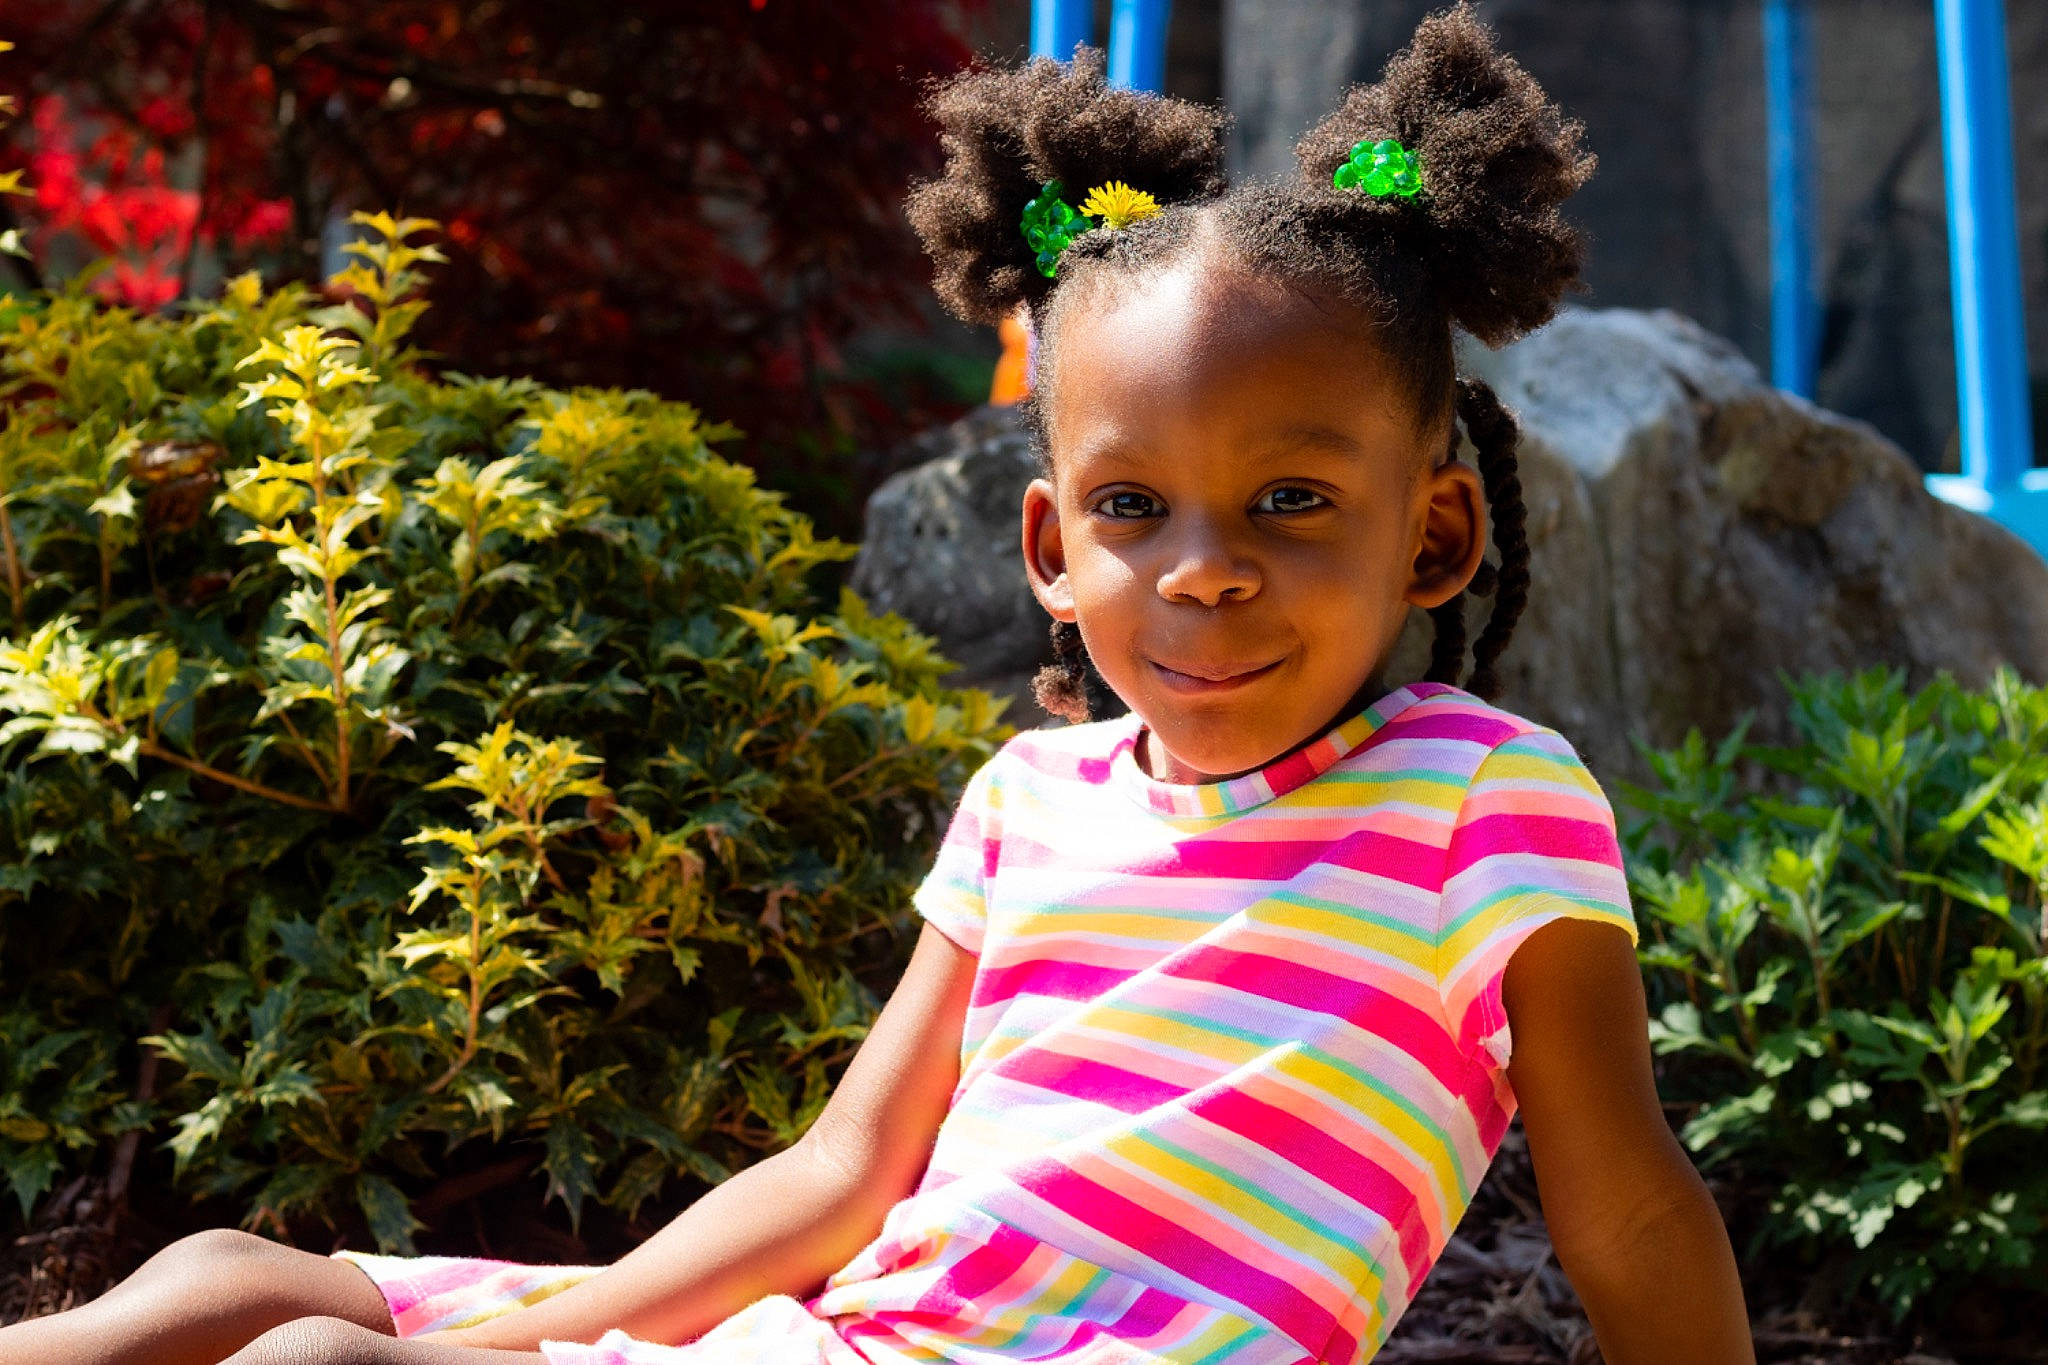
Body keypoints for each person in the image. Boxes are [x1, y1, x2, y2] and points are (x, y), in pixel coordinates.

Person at [0, 7, 1754, 1364]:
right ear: (1051, 548)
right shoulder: (1031, 803)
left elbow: (1627, 1210)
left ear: (1435, 533)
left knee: (313, 1355)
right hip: (867, 1325)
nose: (1206, 564)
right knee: (220, 1283)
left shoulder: (1482, 800)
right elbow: (847, 1172)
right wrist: (587, 1312)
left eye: (1294, 502)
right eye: (1136, 507)